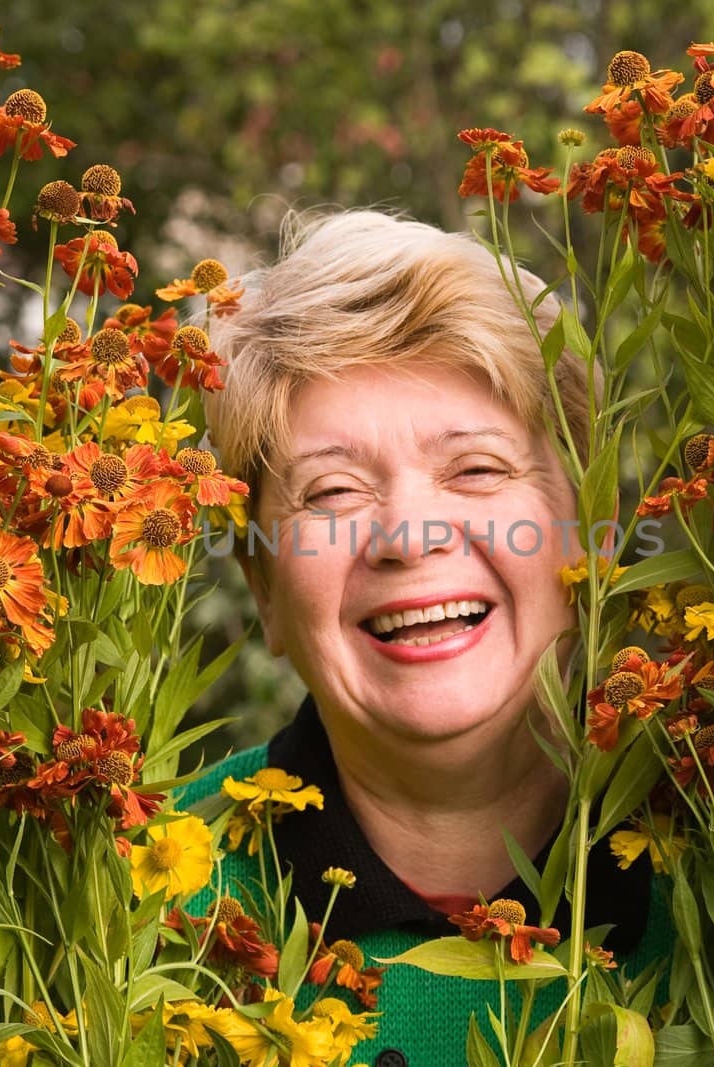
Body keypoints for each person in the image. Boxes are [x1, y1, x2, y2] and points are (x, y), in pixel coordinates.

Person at [179, 210, 671, 1066]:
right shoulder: (139, 894)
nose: (409, 535)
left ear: (594, 530)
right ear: (263, 588)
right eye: (331, 491)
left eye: (476, 469)